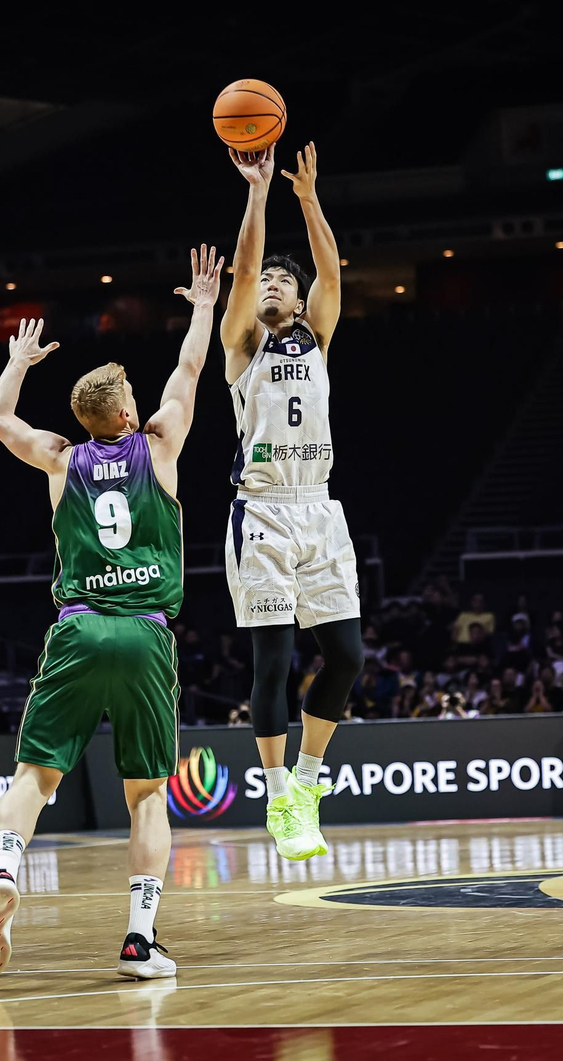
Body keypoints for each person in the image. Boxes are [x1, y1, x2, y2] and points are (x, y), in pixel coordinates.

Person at [0, 248, 221, 983]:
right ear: (126, 413)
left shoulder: (58, 457)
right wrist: (203, 306)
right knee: (147, 797)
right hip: (145, 636)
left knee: (35, 779)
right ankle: (140, 942)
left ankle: (3, 870)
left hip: (77, 627)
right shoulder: (161, 443)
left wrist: (19, 360)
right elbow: (190, 372)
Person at [220, 141, 360, 863]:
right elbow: (244, 269)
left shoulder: (318, 336)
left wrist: (307, 198)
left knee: (347, 655)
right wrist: (259, 193)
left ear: (300, 301)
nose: (272, 283)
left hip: (320, 509)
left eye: (283, 280)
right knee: (272, 660)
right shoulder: (241, 346)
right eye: (268, 279)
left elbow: (332, 270)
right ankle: (278, 795)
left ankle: (308, 783)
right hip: (264, 509)